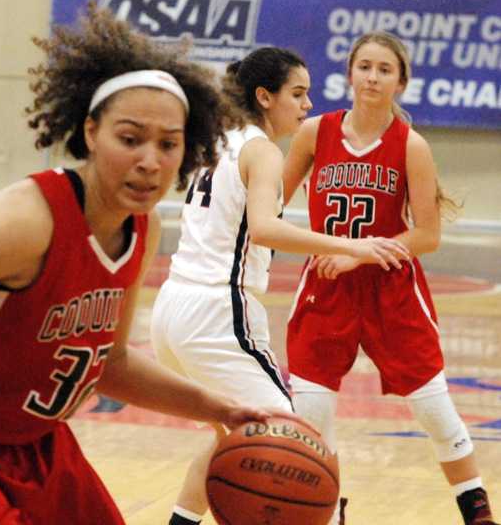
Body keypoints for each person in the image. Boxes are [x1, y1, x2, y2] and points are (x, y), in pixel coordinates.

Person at [0, 4, 308, 525]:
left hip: (31, 442)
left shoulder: (142, 227)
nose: (150, 160)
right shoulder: (27, 220)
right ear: (90, 133)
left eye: (168, 145)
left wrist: (217, 408)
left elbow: (109, 363)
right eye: (129, 139)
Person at [150, 47, 410, 525]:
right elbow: (266, 228)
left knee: (232, 434)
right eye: (298, 93)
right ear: (265, 97)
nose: (308, 104)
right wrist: (353, 246)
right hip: (218, 313)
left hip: (170, 311)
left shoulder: (221, 140)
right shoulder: (262, 150)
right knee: (295, 441)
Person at [283, 31, 497, 525]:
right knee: (311, 420)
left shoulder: (411, 146)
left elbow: (427, 235)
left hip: (392, 289)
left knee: (436, 414)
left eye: (384, 69)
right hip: (326, 287)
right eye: (365, 67)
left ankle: (479, 516)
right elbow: (271, 202)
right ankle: (327, 515)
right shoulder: (315, 132)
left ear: (401, 82)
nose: (373, 77)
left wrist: (358, 255)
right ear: (349, 72)